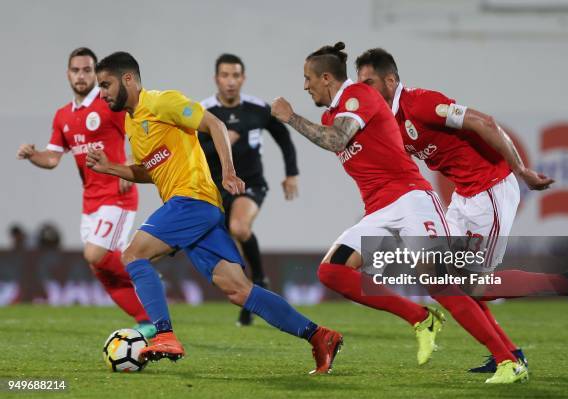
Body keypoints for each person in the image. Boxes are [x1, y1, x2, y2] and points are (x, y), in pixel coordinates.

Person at [271, 41, 528, 384]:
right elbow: (332, 134)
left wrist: (290, 117)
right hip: (378, 210)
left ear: (327, 77)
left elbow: (335, 140)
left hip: (411, 201)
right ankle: (420, 317)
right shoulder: (331, 114)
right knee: (331, 271)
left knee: (445, 283)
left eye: (308, 78)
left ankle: (509, 360)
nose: (305, 86)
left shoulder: (358, 95)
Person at [87, 51, 342, 374]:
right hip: (190, 208)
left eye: (106, 84)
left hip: (191, 200)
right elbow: (150, 171)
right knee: (238, 290)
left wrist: (228, 171)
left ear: (128, 79)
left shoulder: (162, 102)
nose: (103, 92)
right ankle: (319, 336)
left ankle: (164, 334)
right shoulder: (132, 123)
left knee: (133, 255)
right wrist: (111, 167)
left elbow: (214, 123)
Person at [354, 47, 568, 372]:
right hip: (464, 197)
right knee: (446, 277)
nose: (363, 90)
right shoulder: (389, 121)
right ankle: (507, 353)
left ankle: (567, 283)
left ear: (390, 80)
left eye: (369, 82)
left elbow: (482, 122)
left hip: (491, 190)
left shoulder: (420, 103)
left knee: (475, 286)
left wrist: (521, 170)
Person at [16, 47, 154, 337]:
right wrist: (33, 154)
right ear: (68, 74)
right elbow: (52, 159)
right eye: (76, 70)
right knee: (99, 268)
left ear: (95, 73)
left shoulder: (109, 105)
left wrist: (130, 162)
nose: (81, 75)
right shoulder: (63, 116)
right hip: (90, 201)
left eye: (87, 70)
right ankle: (146, 320)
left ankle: (145, 275)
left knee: (94, 254)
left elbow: (139, 130)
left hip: (117, 195)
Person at [199, 53, 299, 326]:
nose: (230, 81)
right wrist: (220, 143)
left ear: (243, 78)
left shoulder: (258, 109)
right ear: (216, 79)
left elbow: (283, 137)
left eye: (235, 75)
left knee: (240, 228)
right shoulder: (204, 112)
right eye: (225, 75)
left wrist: (292, 173)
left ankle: (260, 279)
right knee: (231, 246)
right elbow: (192, 151)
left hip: (251, 185)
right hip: (215, 191)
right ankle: (252, 293)